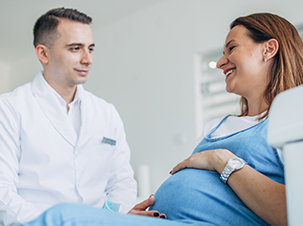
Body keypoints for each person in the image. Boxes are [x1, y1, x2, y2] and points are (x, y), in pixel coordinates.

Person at [21, 12, 303, 226]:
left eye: (231, 48)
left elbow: (293, 212)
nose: (220, 62)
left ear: (269, 49)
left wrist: (220, 160)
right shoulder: (216, 127)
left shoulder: (293, 119)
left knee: (60, 218)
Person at [0, 7, 137, 226]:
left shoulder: (106, 112)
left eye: (90, 48)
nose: (88, 59)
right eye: (75, 48)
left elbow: (122, 182)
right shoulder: (10, 108)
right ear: (43, 53)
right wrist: (50, 223)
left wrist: (109, 219)